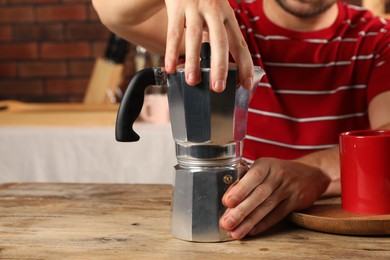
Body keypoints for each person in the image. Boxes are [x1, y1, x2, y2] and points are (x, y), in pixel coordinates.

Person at [92, 0, 390, 239]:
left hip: (336, 230)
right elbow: (112, 10)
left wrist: (312, 173)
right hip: (237, 213)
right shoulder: (223, 22)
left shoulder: (378, 38)